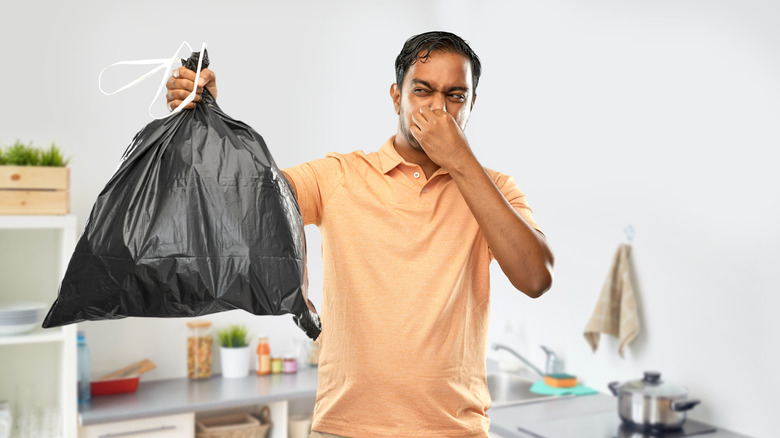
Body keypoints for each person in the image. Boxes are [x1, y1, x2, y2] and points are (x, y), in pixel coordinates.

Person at [167, 31, 554, 438]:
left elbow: (535, 278)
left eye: (455, 96)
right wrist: (203, 121)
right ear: (396, 96)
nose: (439, 109)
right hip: (344, 429)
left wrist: (461, 161)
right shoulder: (339, 176)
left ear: (472, 104)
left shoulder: (496, 190)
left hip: (456, 431)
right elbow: (237, 202)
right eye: (423, 91)